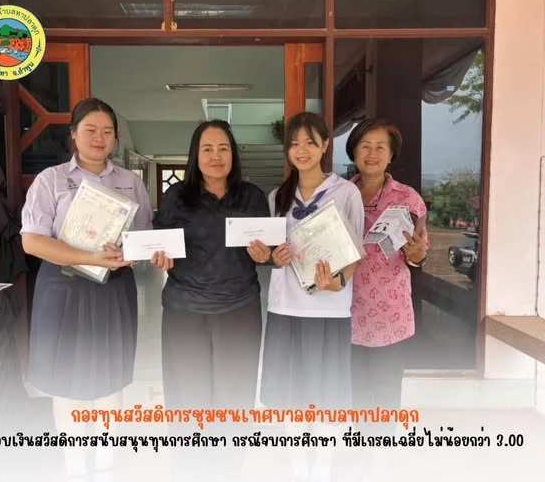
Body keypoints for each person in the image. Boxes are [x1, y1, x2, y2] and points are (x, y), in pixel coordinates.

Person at [20, 98, 153, 482]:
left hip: (113, 288)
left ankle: (108, 463)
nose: (99, 138)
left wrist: (133, 252)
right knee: (64, 379)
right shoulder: (51, 180)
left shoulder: (130, 182)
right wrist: (90, 257)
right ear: (74, 134)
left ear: (116, 137)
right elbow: (32, 241)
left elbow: (143, 236)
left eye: (107, 131)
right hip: (62, 287)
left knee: (112, 374)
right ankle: (76, 464)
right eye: (90, 130)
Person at [150, 119, 271, 482]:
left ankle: (229, 470)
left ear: (233, 154)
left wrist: (264, 254)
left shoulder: (252, 196)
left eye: (223, 148)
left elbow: (268, 248)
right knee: (187, 397)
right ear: (195, 155)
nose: (216, 156)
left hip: (239, 308)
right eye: (207, 149)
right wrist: (159, 255)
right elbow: (159, 241)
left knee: (235, 396)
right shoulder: (177, 196)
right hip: (184, 311)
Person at [260, 111, 364, 482]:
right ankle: (297, 464)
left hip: (330, 310)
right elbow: (272, 251)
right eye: (294, 143)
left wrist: (339, 281)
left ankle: (323, 465)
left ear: (324, 146)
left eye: (309, 142)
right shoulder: (277, 196)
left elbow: (355, 252)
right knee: (290, 391)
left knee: (329, 392)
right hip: (286, 307)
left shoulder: (346, 192)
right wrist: (273, 257)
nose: (301, 150)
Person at [347, 118, 428, 429]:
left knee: (385, 397)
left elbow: (420, 253)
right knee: (354, 399)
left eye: (380, 147)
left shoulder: (408, 199)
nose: (372, 153)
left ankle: (380, 452)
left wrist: (417, 255)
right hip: (346, 314)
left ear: (391, 154)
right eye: (365, 146)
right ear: (354, 151)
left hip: (390, 317)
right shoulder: (340, 194)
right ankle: (356, 452)